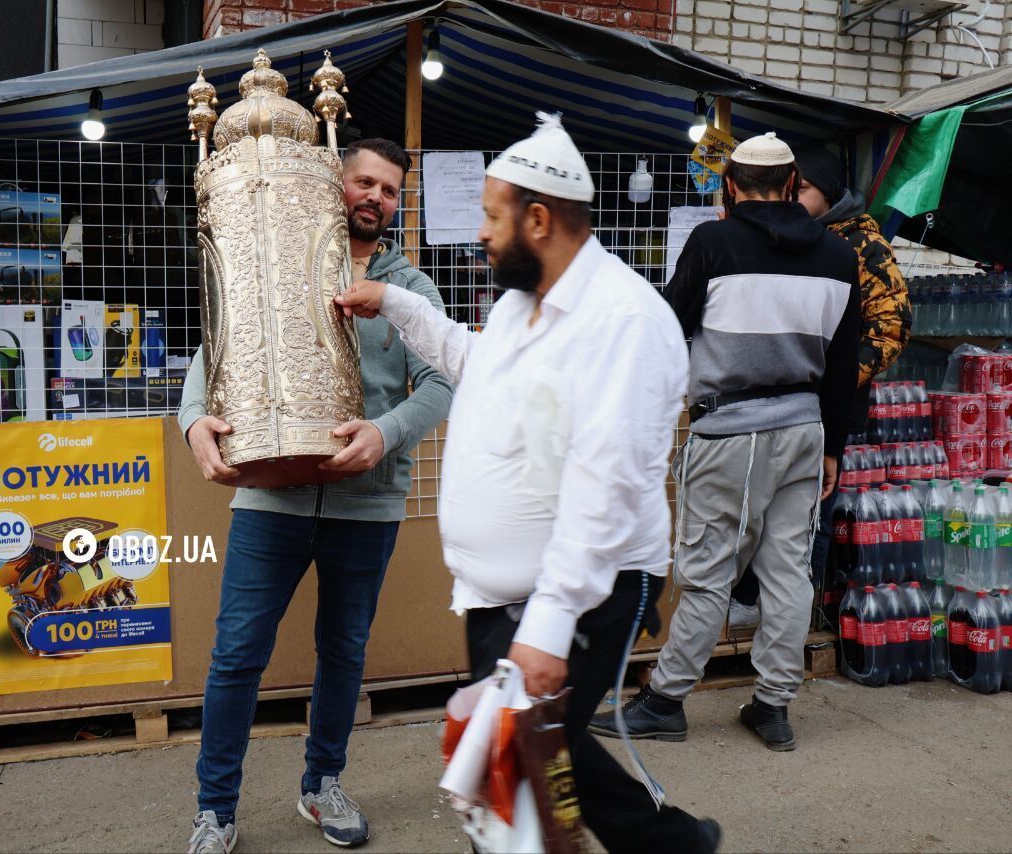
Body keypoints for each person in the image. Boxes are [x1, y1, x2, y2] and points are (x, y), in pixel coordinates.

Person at [336, 113, 719, 853]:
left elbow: (605, 486)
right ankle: (673, 846)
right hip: (506, 593)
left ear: (538, 219)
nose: (480, 231)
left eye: (491, 215)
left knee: (512, 763)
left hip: (585, 593)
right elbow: (474, 364)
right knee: (536, 747)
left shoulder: (625, 323)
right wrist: (398, 304)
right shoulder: (520, 304)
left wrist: (547, 627)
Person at [179, 138, 454, 854]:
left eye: (390, 190)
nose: (375, 197)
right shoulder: (276, 260)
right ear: (337, 182)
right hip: (271, 499)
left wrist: (386, 433)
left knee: (344, 651)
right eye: (364, 181)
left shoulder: (411, 291)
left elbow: (442, 383)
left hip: (368, 503)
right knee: (237, 654)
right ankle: (215, 809)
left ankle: (321, 784)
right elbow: (217, 348)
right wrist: (191, 425)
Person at [590, 132, 860, 752]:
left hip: (731, 428)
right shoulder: (839, 258)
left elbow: (669, 328)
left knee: (709, 569)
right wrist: (832, 447)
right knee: (788, 572)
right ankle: (773, 707)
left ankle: (666, 700)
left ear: (730, 186)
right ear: (793, 184)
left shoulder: (713, 242)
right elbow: (843, 365)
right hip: (803, 428)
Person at [728, 146, 912, 629]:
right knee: (762, 510)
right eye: (791, 187)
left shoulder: (861, 243)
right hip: (779, 401)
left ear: (827, 194)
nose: (792, 197)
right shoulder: (794, 236)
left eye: (802, 189)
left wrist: (829, 376)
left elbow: (891, 326)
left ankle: (792, 619)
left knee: (810, 517)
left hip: (826, 408)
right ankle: (754, 607)